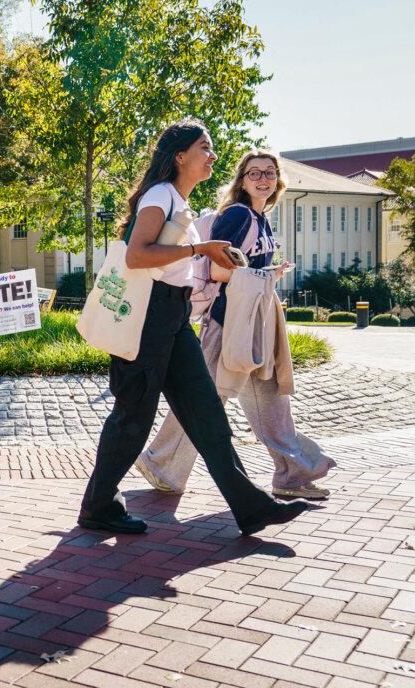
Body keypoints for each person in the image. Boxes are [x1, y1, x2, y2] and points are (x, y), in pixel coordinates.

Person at [77, 119, 310, 537]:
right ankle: (97, 506)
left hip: (173, 317)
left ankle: (251, 507)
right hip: (148, 318)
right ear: (180, 156)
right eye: (205, 148)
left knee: (206, 415)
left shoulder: (176, 199)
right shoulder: (159, 195)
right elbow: (136, 256)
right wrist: (200, 248)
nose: (212, 156)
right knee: (133, 416)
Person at [136, 151, 336, 499]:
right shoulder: (238, 216)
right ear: (242, 180)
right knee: (206, 402)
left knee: (269, 399)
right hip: (228, 323)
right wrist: (266, 275)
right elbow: (215, 269)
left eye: (270, 173)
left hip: (252, 320)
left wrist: (267, 275)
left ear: (278, 180)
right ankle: (160, 463)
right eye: (254, 173)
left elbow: (244, 270)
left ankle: (291, 475)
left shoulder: (261, 217)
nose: (263, 179)